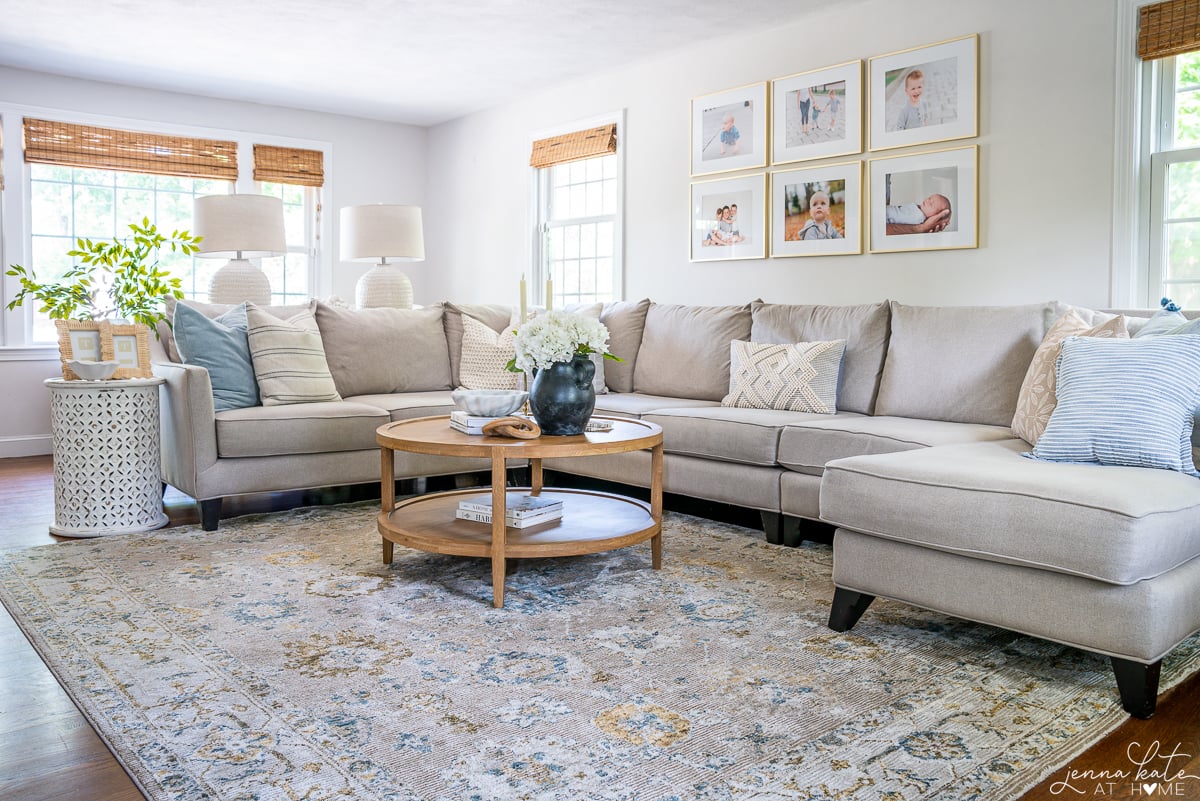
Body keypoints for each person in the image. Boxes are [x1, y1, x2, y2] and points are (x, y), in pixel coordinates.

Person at [886, 193, 952, 235]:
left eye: (931, 204)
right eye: (929, 198)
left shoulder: (918, 218)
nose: (927, 201)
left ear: (935, 217)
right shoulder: (917, 211)